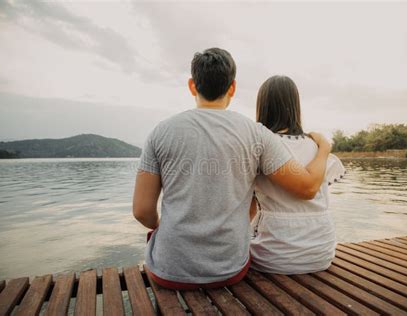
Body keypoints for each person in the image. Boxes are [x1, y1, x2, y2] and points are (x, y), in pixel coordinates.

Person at [132, 48, 331, 289]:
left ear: (192, 86)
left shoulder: (160, 132)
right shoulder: (257, 133)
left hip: (169, 272)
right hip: (230, 270)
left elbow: (142, 211)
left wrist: (163, 227)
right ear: (233, 87)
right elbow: (308, 187)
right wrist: (324, 147)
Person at [250, 75, 345, 274]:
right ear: (295, 105)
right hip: (321, 254)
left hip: (274, 257)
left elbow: (247, 209)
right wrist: (325, 146)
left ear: (263, 106)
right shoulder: (317, 148)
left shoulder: (259, 147)